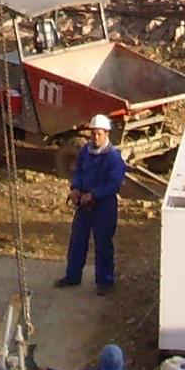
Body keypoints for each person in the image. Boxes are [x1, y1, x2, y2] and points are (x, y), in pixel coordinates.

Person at [57, 116, 126, 291]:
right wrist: (75, 188)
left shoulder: (113, 157)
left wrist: (94, 194)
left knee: (103, 244)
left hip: (104, 207)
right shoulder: (86, 152)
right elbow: (78, 171)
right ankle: (73, 276)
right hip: (84, 206)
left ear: (106, 134)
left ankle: (105, 282)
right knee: (77, 241)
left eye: (99, 134)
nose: (95, 137)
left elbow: (114, 183)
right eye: (93, 134)